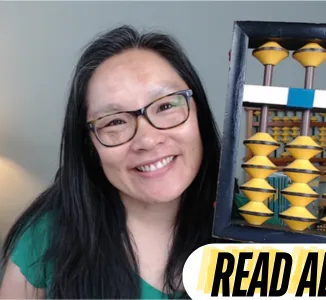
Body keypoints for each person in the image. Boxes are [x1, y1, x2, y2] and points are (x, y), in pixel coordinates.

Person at [0, 25, 221, 298]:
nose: (148, 140)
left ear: (198, 111)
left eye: (165, 106)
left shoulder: (257, 231)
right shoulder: (48, 237)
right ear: (90, 145)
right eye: (115, 121)